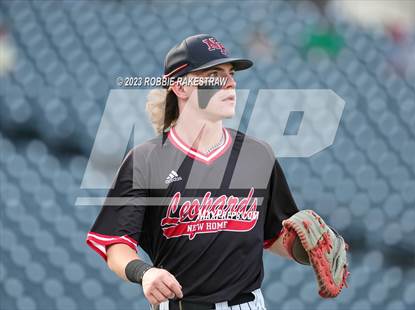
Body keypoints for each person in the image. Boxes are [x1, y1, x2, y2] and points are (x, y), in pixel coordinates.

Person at [86, 34, 348, 310]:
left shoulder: (258, 155)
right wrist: (145, 273)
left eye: (231, 73)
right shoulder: (146, 160)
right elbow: (115, 244)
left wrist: (304, 248)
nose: (231, 82)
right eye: (214, 74)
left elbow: (273, 238)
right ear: (180, 87)